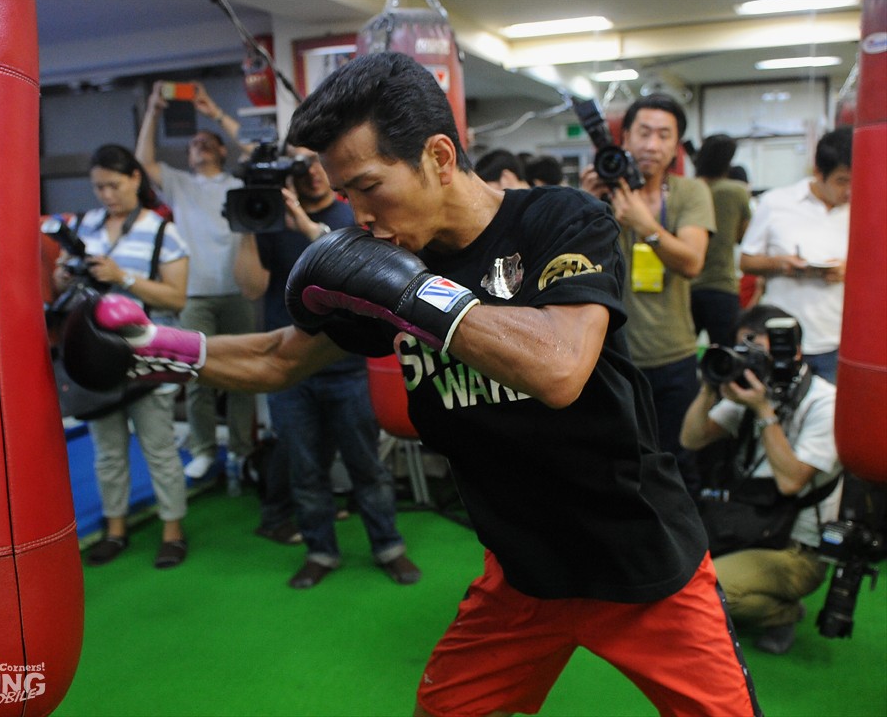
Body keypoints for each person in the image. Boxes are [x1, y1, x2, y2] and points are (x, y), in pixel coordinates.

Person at [65, 53, 761, 715]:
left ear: (439, 157)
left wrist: (418, 294)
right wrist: (157, 348)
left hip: (643, 560)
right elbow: (280, 359)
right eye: (345, 195)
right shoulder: (393, 261)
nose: (358, 216)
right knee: (444, 707)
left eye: (369, 188)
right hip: (524, 573)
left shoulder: (560, 219)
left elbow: (559, 367)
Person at [234, 144, 420, 588]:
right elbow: (251, 288)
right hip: (290, 369)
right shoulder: (269, 220)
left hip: (346, 362)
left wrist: (304, 225)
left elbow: (360, 272)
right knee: (305, 470)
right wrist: (247, 224)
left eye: (317, 161)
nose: (312, 171)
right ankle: (320, 551)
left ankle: (388, 547)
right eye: (300, 164)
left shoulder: (351, 216)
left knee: (367, 466)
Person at [52, 144, 190, 568]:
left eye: (113, 185)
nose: (106, 195)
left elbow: (176, 298)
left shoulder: (162, 231)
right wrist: (64, 275)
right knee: (107, 450)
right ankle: (115, 529)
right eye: (98, 187)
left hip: (147, 352)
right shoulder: (84, 226)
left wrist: (122, 276)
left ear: (135, 178)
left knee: (159, 447)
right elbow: (61, 287)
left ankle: (173, 531)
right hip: (95, 353)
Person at [680, 304, 842, 655]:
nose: (750, 359)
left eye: (758, 351)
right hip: (747, 525)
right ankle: (753, 589)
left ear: (791, 351)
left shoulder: (824, 403)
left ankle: (781, 613)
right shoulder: (752, 387)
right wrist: (709, 389)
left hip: (797, 547)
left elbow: (791, 482)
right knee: (678, 572)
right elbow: (691, 439)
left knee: (706, 593)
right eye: (744, 349)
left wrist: (763, 410)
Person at [581, 93, 715, 500]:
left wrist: (645, 225)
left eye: (663, 135)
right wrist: (587, 204)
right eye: (643, 133)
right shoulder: (599, 191)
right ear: (624, 138)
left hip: (673, 354)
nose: (652, 145)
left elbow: (691, 262)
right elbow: (575, 265)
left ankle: (689, 540)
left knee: (678, 461)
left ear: (676, 147)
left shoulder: (690, 192)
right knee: (618, 464)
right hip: (612, 356)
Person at [135, 80, 258, 489]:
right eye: (194, 144)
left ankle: (242, 451)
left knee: (243, 375)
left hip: (237, 291)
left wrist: (214, 111)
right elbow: (142, 163)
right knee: (196, 375)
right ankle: (204, 449)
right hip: (193, 294)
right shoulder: (179, 185)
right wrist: (153, 110)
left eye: (208, 142)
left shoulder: (238, 183)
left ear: (222, 150)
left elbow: (256, 149)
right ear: (187, 156)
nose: (200, 146)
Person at [738, 127, 852, 384]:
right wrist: (781, 264)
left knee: (828, 408)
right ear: (818, 172)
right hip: (781, 338)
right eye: (842, 181)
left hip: (835, 339)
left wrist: (846, 270)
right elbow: (745, 261)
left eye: (856, 181)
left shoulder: (861, 209)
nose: (849, 190)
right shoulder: (776, 203)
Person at [691, 134, 753, 348]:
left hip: (686, 286)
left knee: (682, 353)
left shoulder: (688, 190)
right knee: (727, 355)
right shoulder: (737, 191)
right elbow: (743, 236)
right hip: (722, 285)